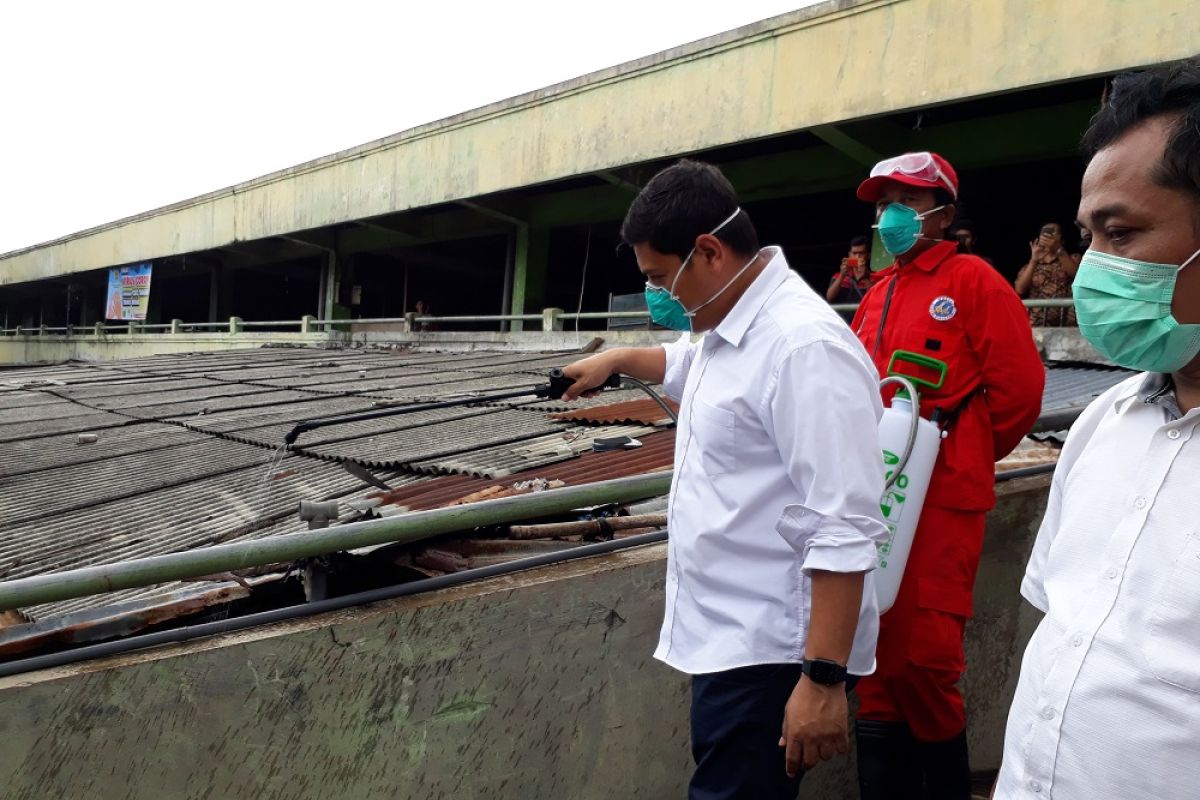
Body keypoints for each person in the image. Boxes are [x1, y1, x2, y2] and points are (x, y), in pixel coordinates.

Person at [560, 159, 888, 799]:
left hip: (770, 650)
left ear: (707, 251)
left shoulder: (802, 349)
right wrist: (619, 359)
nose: (658, 295)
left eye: (658, 277)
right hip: (725, 636)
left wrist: (821, 680)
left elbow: (844, 524)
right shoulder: (729, 323)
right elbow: (690, 366)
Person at [995, 58, 1200, 800]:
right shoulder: (1101, 427)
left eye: (1121, 235)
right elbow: (1061, 633)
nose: (1090, 274)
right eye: (1089, 238)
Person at [848, 151, 1044, 800]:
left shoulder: (975, 282)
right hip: (877, 495)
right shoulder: (876, 295)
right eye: (883, 203)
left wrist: (958, 457)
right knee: (870, 652)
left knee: (927, 658)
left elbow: (1017, 394)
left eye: (905, 201)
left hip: (941, 499)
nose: (890, 215)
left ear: (944, 213)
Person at [1015, 222, 1079, 326]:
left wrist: (1058, 250)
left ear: (1062, 240)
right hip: (1037, 324)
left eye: (1052, 232)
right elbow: (1019, 289)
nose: (1048, 235)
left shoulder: (1072, 259)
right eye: (1045, 232)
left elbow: (1077, 276)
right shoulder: (1029, 266)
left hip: (1066, 325)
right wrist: (1034, 260)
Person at [826, 235, 873, 305]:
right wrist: (842, 276)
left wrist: (866, 278)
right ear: (849, 255)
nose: (857, 257)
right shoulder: (838, 276)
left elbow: (875, 300)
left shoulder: (874, 277)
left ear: (868, 255)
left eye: (861, 253)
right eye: (854, 253)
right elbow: (829, 297)